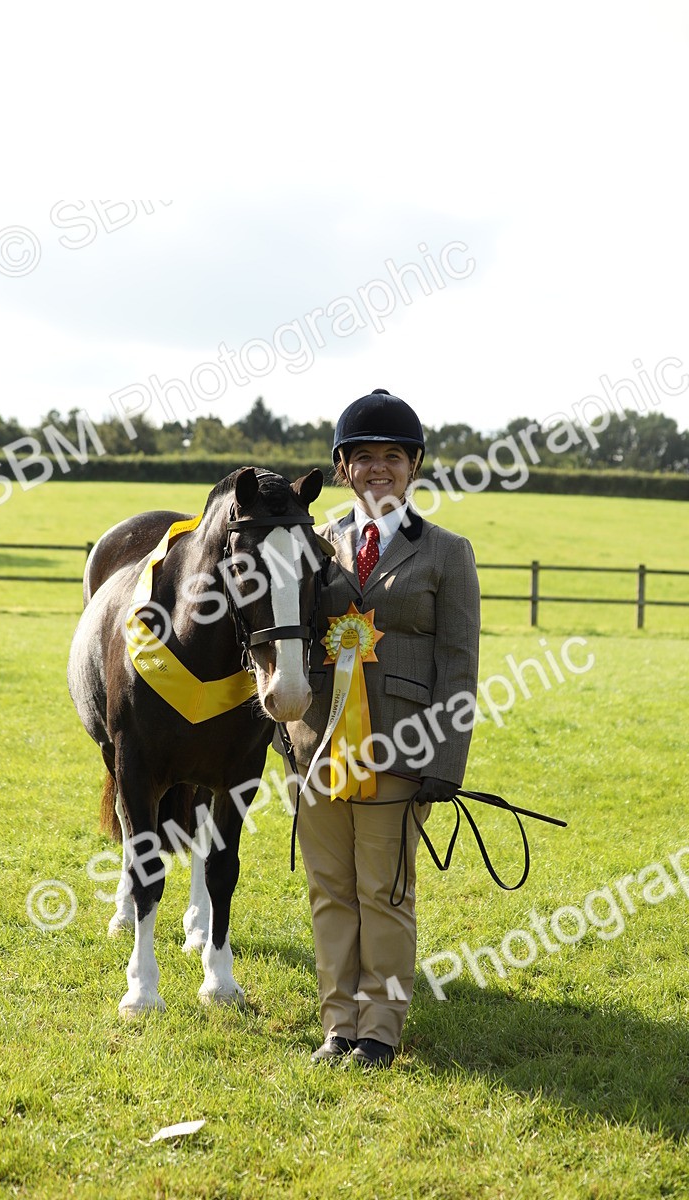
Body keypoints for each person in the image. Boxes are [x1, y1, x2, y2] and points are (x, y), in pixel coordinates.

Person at [284, 388, 481, 1068]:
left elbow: (459, 663)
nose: (377, 469)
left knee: (386, 892)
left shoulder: (448, 553)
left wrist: (445, 763)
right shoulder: (312, 548)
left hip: (401, 750)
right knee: (330, 890)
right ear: (342, 468)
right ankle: (338, 1026)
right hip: (318, 749)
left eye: (391, 457)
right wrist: (288, 738)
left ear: (415, 465)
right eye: (362, 457)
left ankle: (379, 1032)